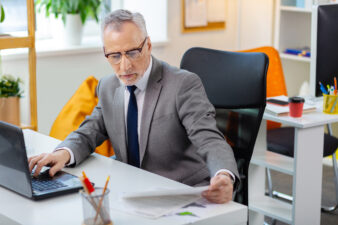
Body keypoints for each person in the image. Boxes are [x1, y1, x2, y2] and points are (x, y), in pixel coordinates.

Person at [28, 9, 239, 204]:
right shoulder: (108, 86)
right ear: (105, 53)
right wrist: (63, 153)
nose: (125, 65)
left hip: (181, 191)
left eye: (132, 52)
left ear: (147, 45)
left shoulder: (182, 84)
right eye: (115, 56)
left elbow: (209, 138)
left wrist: (223, 174)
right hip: (132, 191)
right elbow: (90, 130)